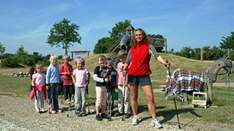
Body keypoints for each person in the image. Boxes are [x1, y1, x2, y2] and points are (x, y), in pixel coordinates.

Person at [124, 28, 170, 128]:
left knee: (150, 97)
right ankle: (135, 116)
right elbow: (127, 62)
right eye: (136, 35)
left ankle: (154, 119)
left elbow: (157, 56)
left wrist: (164, 63)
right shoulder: (132, 49)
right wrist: (124, 67)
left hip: (144, 76)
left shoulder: (149, 46)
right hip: (132, 76)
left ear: (143, 35)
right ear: (134, 37)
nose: (138, 36)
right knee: (133, 97)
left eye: (140, 35)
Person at [93, 55, 109, 121]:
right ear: (99, 61)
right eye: (101, 60)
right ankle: (97, 114)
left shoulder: (107, 68)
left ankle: (103, 112)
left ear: (105, 61)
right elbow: (95, 77)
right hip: (99, 86)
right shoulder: (97, 68)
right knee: (99, 99)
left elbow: (109, 75)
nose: (102, 62)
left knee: (104, 100)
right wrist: (103, 80)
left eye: (103, 60)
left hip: (105, 86)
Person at [116, 50, 131, 118]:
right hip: (120, 83)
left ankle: (127, 111)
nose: (122, 59)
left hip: (126, 83)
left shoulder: (129, 64)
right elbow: (118, 74)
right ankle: (120, 111)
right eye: (121, 58)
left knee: (126, 98)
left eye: (124, 58)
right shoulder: (118, 64)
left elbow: (130, 72)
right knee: (120, 98)